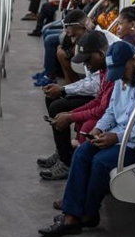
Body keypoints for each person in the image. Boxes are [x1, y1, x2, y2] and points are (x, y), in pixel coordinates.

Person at [39, 41, 135, 237]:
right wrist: (98, 128)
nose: (121, 79)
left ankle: (87, 215)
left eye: (122, 72)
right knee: (82, 152)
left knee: (101, 162)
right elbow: (111, 111)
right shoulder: (122, 79)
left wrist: (117, 136)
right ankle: (71, 214)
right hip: (120, 135)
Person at [38, 31, 114, 181]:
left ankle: (66, 162)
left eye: (87, 60)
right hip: (99, 101)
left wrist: (71, 114)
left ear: (100, 54)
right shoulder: (103, 68)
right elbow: (99, 99)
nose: (85, 64)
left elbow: (99, 101)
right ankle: (62, 152)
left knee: (59, 108)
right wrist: (71, 113)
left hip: (104, 107)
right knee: (54, 102)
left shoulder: (112, 73)